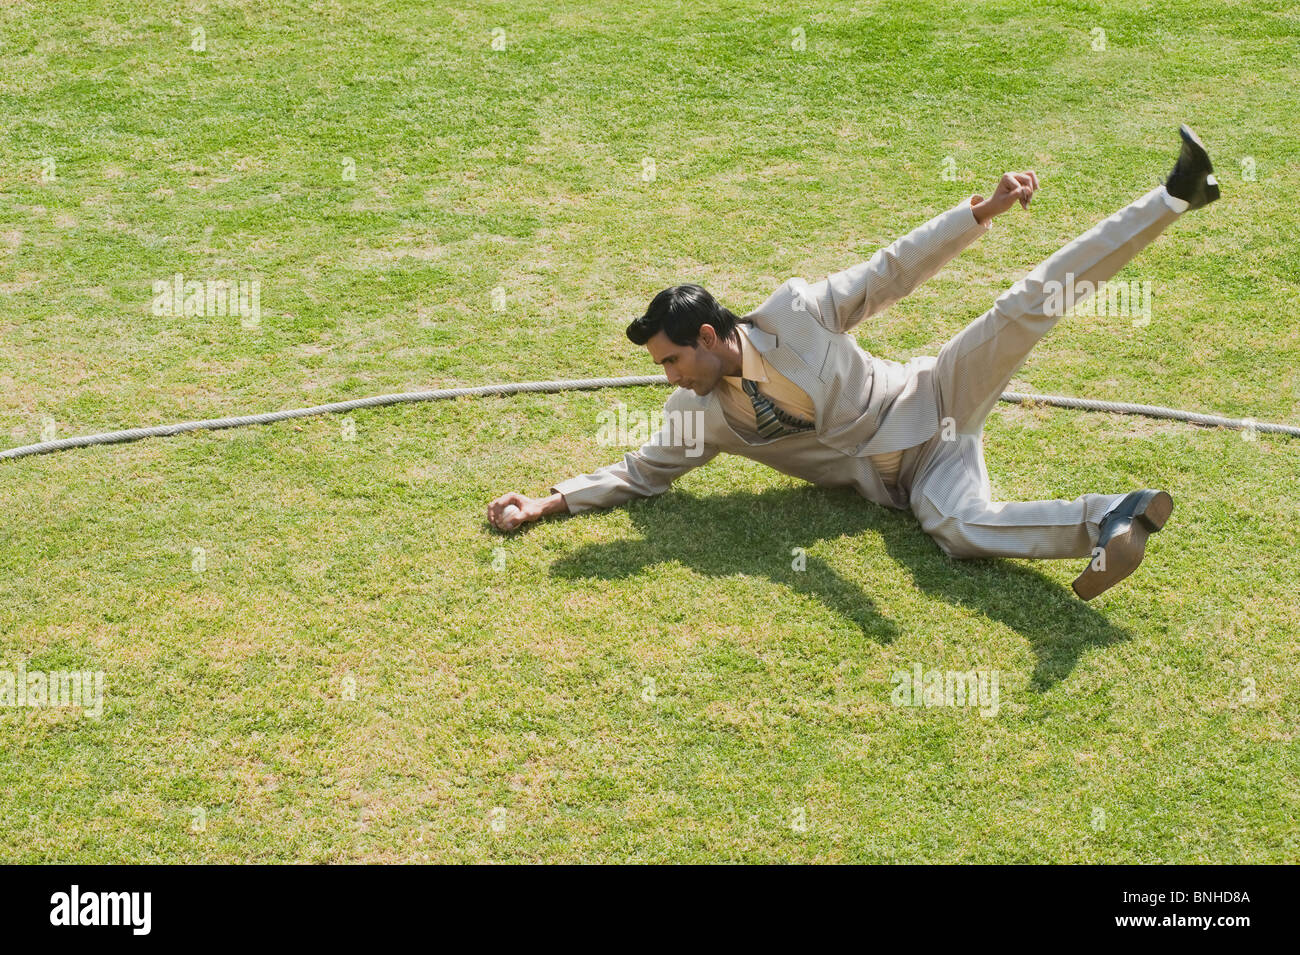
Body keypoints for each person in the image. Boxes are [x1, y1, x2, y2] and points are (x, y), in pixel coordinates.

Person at [488, 125, 1220, 600]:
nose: (669, 376)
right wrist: (548, 500)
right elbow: (637, 475)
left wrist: (982, 213)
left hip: (931, 395)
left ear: (709, 336)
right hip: (914, 477)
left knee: (1024, 307)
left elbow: (893, 268)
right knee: (959, 530)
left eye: (673, 359)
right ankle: (1108, 520)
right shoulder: (698, 416)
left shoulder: (798, 311)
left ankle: (1173, 196)